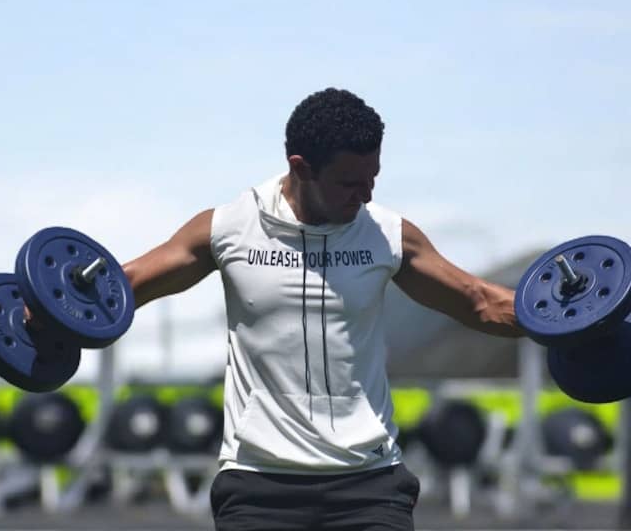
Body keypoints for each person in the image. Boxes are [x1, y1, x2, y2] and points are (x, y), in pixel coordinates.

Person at [124, 87, 523, 530]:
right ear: (301, 168)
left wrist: (572, 325)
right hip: (259, 486)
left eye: (373, 178)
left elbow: (479, 301)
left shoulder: (386, 236)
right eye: (350, 183)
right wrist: (41, 316)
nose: (366, 196)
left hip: (369, 486)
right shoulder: (230, 229)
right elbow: (124, 288)